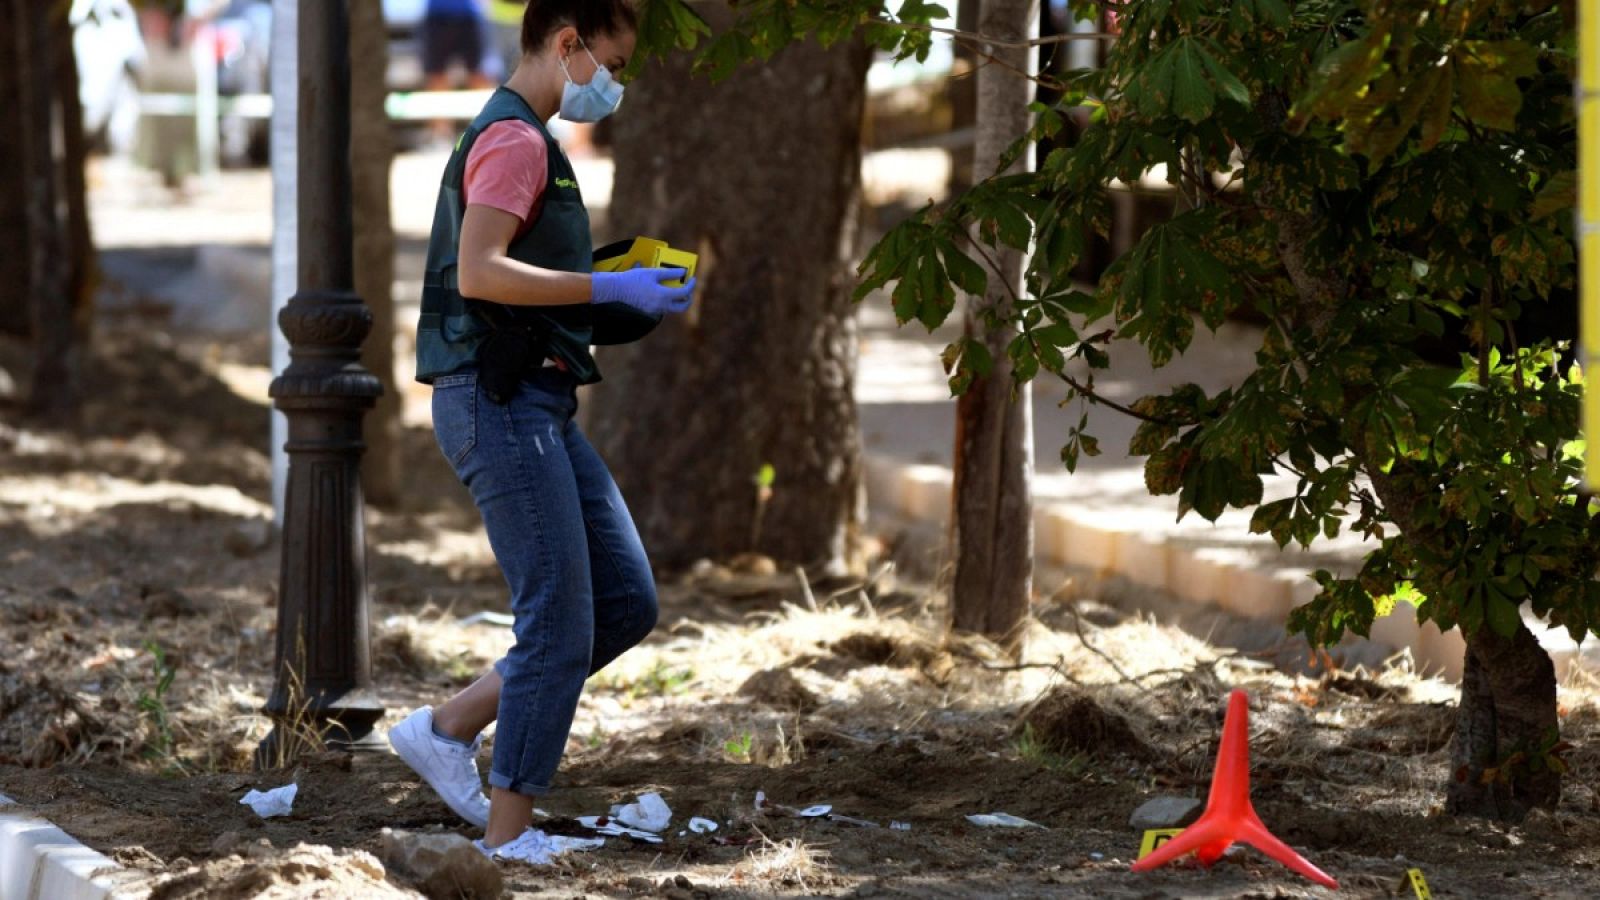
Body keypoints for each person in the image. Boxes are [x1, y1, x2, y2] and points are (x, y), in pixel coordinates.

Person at [388, 0, 697, 864]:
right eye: (615, 61)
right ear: (569, 45)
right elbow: (483, 270)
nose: (617, 82)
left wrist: (615, 287)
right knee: (557, 624)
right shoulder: (517, 139)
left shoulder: (534, 139)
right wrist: (603, 292)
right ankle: (507, 840)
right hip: (499, 403)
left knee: (625, 600)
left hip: (541, 401)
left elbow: (517, 277)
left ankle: (445, 730)